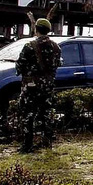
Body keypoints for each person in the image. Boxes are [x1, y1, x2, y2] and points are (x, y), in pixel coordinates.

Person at [16, 18, 61, 152]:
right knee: (46, 112)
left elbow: (20, 65)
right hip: (48, 85)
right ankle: (47, 142)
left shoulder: (30, 46)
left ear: (36, 29)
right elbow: (58, 64)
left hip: (31, 85)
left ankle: (27, 145)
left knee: (28, 114)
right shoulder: (56, 47)